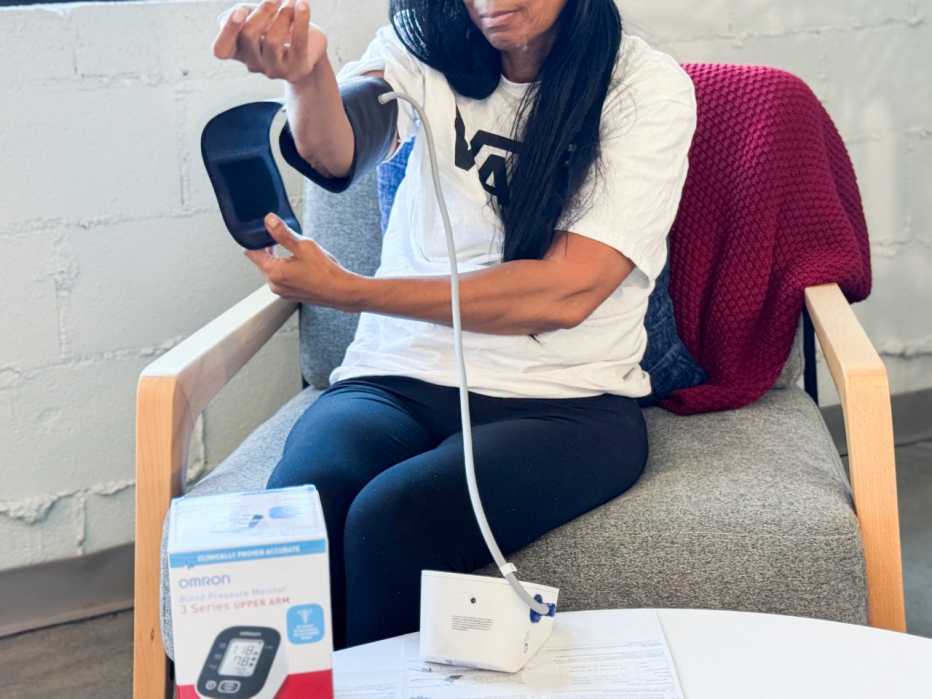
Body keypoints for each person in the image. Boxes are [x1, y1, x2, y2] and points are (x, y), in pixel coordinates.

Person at [212, 0, 697, 649]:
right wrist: (306, 77)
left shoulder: (643, 86)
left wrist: (359, 293)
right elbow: (342, 148)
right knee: (302, 505)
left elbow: (566, 290)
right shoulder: (423, 48)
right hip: (395, 378)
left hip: (566, 403)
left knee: (391, 520)